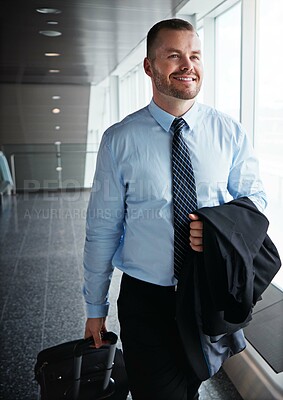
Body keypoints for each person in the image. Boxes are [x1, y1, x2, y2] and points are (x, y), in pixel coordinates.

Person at [83, 18, 266, 400]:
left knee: (193, 385)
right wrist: (94, 307)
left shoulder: (229, 133)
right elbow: (102, 228)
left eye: (195, 55)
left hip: (208, 295)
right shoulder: (119, 140)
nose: (188, 65)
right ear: (150, 67)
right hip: (147, 300)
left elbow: (257, 204)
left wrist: (217, 224)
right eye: (174, 56)